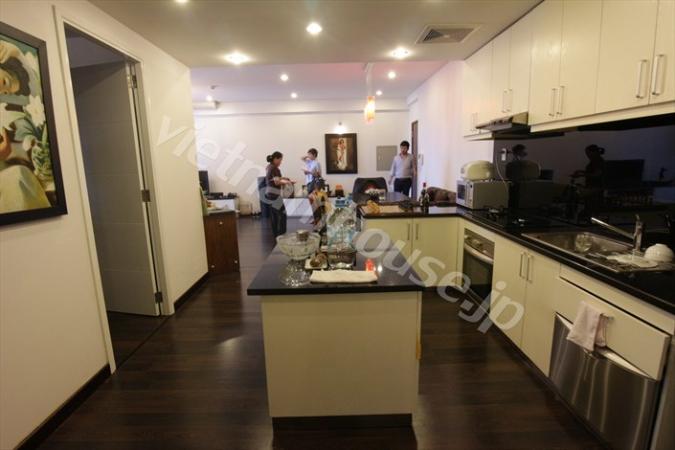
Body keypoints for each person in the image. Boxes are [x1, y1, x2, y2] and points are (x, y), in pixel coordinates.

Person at [265, 151, 294, 238]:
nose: (281, 162)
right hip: (274, 195)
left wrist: (284, 178)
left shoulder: (269, 167)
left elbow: (274, 179)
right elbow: (277, 182)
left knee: (274, 216)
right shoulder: (274, 168)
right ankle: (281, 235)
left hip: (269, 194)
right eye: (280, 160)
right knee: (282, 215)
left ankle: (276, 235)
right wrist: (288, 182)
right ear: (275, 159)